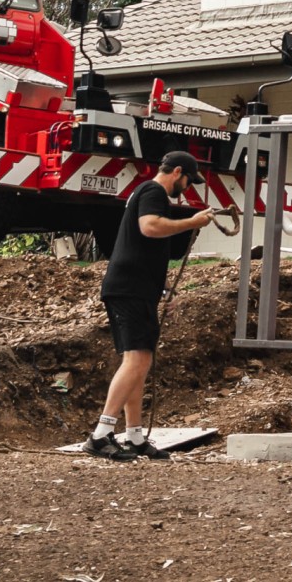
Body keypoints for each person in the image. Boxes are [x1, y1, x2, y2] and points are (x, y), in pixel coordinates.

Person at [85, 150, 214, 461]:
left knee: (138, 362)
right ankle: (101, 434)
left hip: (137, 289)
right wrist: (192, 221)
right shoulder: (153, 191)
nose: (187, 187)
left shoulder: (146, 193)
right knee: (137, 361)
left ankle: (134, 436)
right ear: (178, 172)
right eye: (187, 180)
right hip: (130, 290)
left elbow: (145, 248)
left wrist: (165, 288)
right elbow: (149, 227)